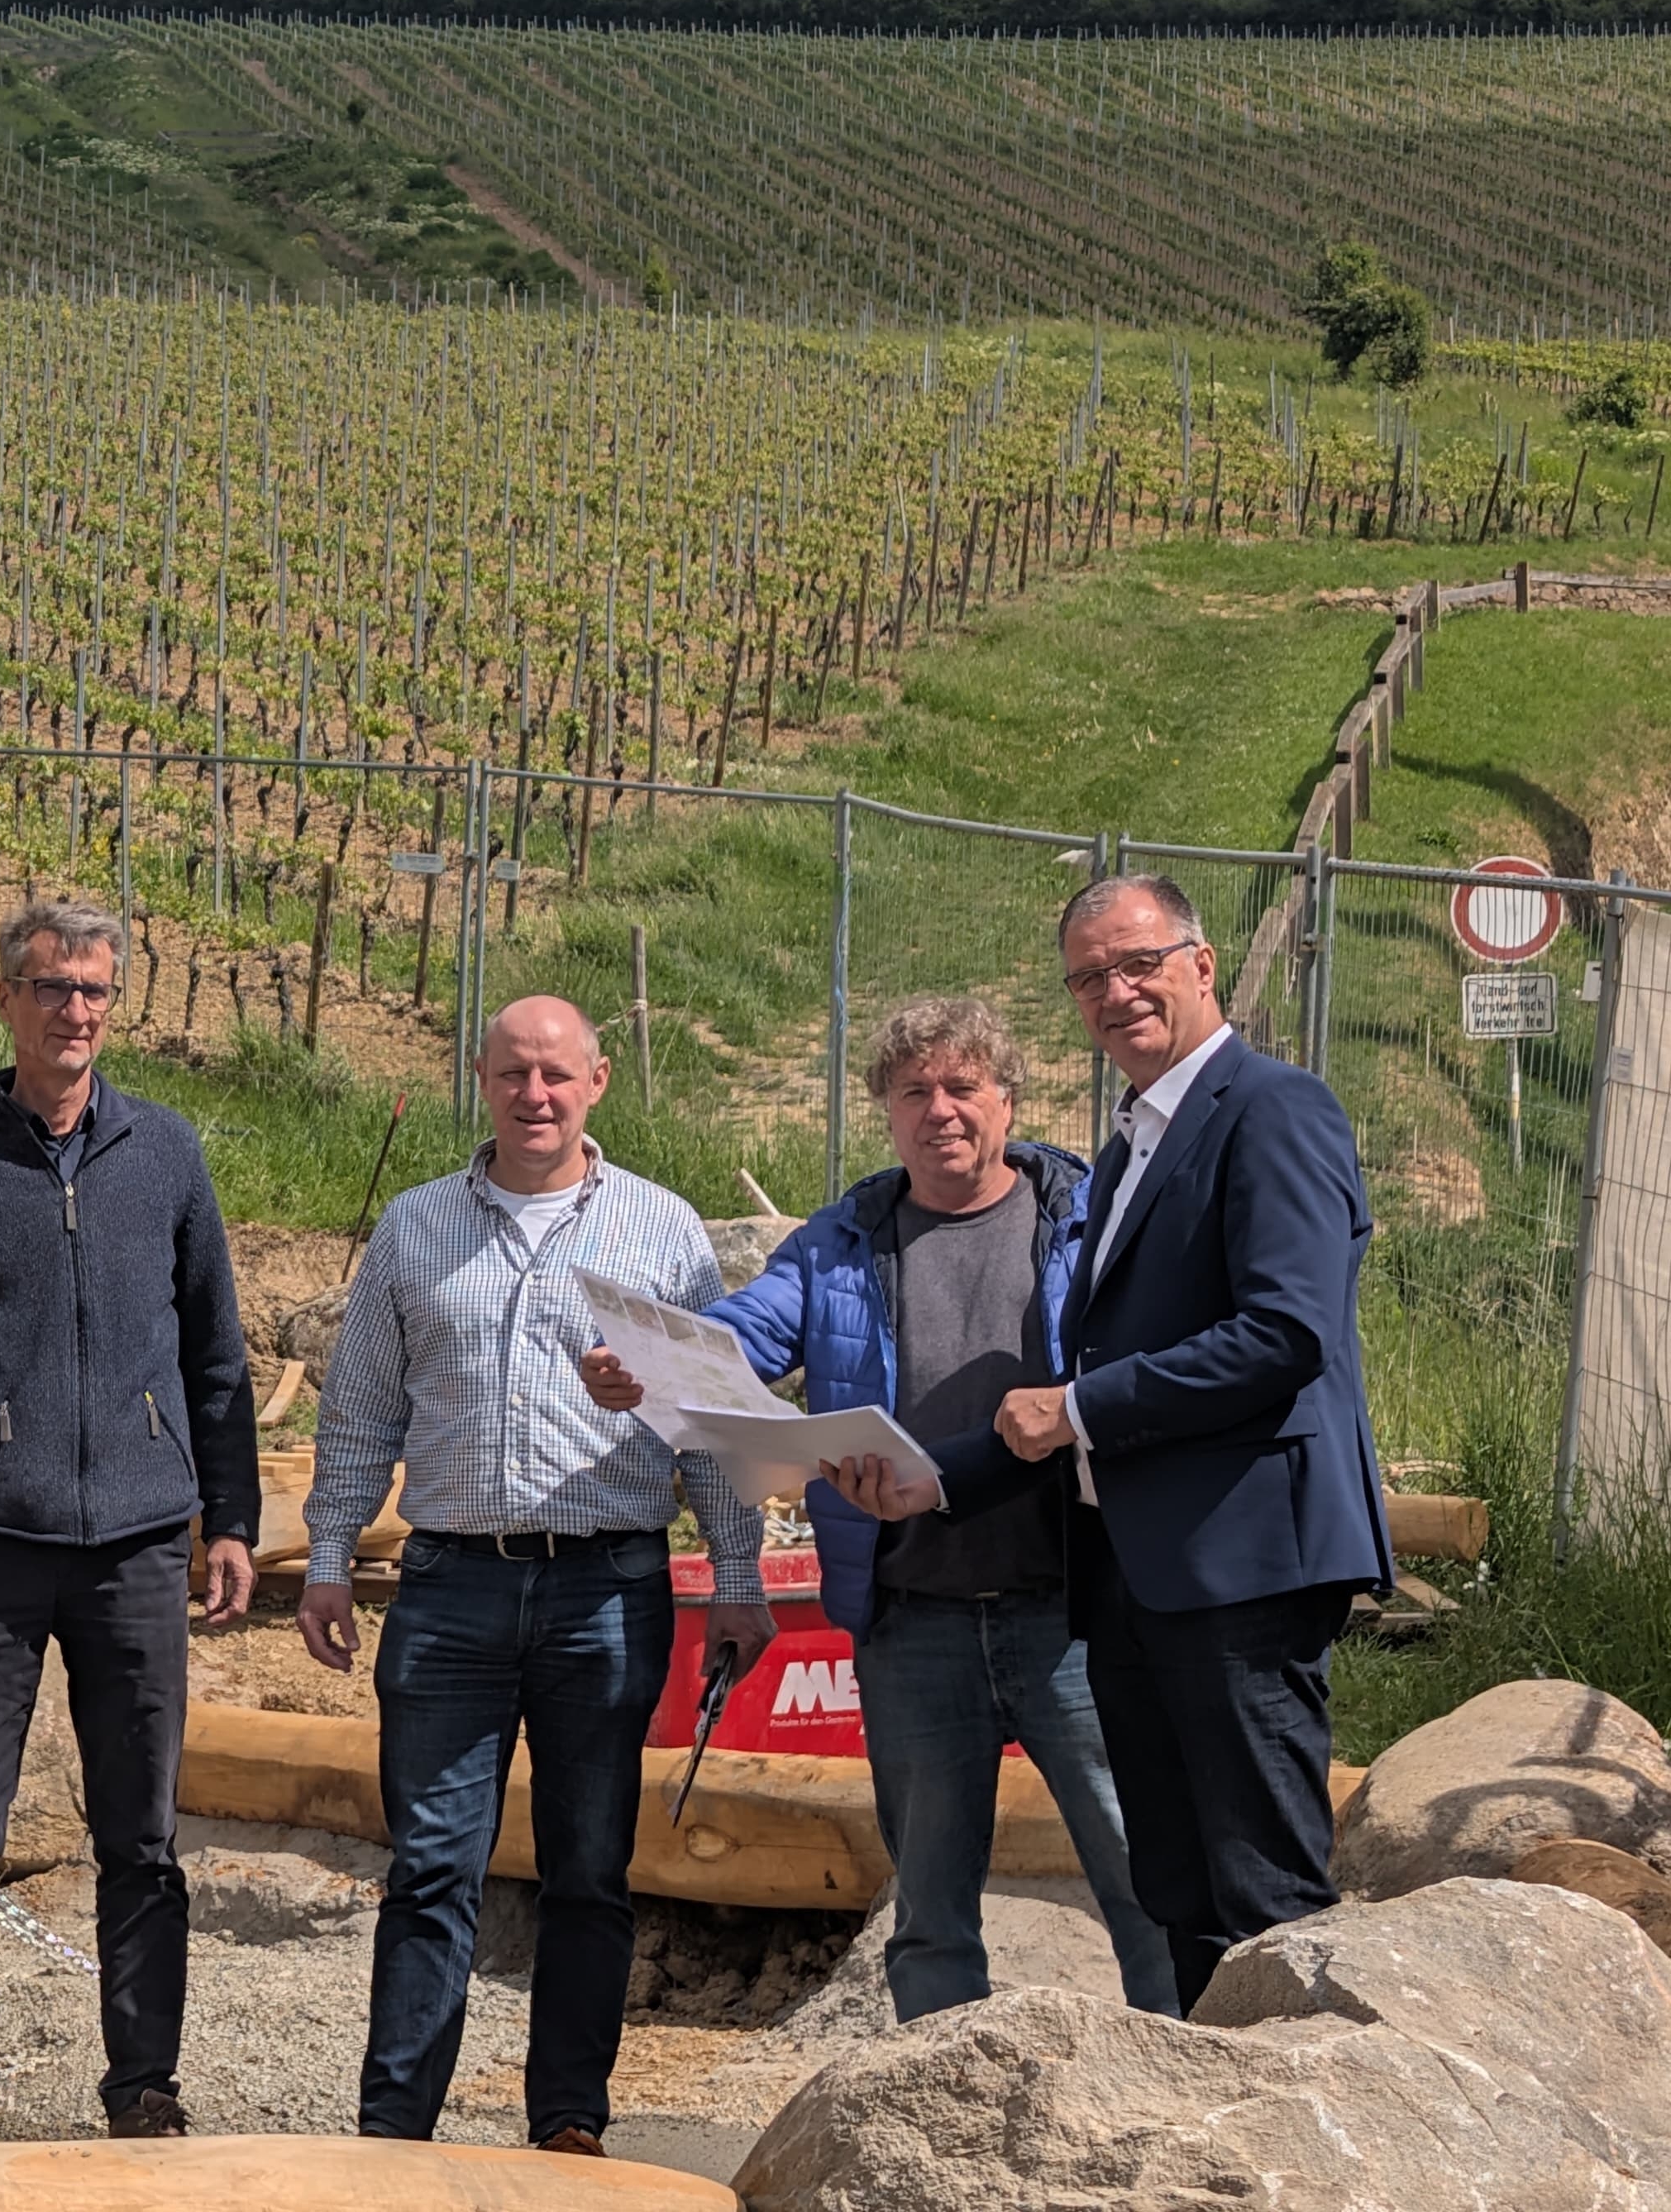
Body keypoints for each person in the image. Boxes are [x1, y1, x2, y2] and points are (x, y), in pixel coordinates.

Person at [824, 876, 1390, 2004]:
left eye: (1138, 964)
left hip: (1241, 1566)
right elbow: (1068, 1393)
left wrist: (1079, 1411)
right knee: (1176, 1892)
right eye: (1090, 977)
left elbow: (1286, 1334)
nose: (1116, 992)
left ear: (1202, 963)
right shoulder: (1127, 1148)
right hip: (1136, 1582)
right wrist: (935, 1487)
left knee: (1261, 1894)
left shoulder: (1271, 1109)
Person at [580, 997, 1171, 2020]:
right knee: (929, 1912)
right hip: (911, 1622)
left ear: (1007, 1099)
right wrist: (647, 1364)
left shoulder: (1085, 1218)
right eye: (913, 1093)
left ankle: (1189, 2098)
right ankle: (938, 2118)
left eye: (959, 1087)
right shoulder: (838, 1242)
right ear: (885, 1113)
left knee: (1144, 1882)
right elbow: (743, 1336)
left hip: (1072, 1613)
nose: (938, 1111)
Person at [299, 995, 771, 2157]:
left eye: (557, 1075)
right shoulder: (414, 1229)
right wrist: (323, 1557)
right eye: (513, 1074)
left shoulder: (665, 1235)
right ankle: (392, 2135)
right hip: (450, 1587)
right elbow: (361, 1411)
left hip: (607, 1590)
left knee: (590, 1873)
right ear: (481, 1076)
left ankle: (567, 2125)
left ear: (598, 1082)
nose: (535, 1096)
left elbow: (710, 1426)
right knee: (430, 1874)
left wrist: (742, 1575)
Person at [0, 897, 261, 2147]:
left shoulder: (169, 1156)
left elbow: (217, 1355)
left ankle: (144, 2084)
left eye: (93, 990)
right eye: (51, 989)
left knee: (140, 1836)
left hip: (138, 1546)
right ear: (6, 1001)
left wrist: (230, 1519)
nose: (73, 1012)